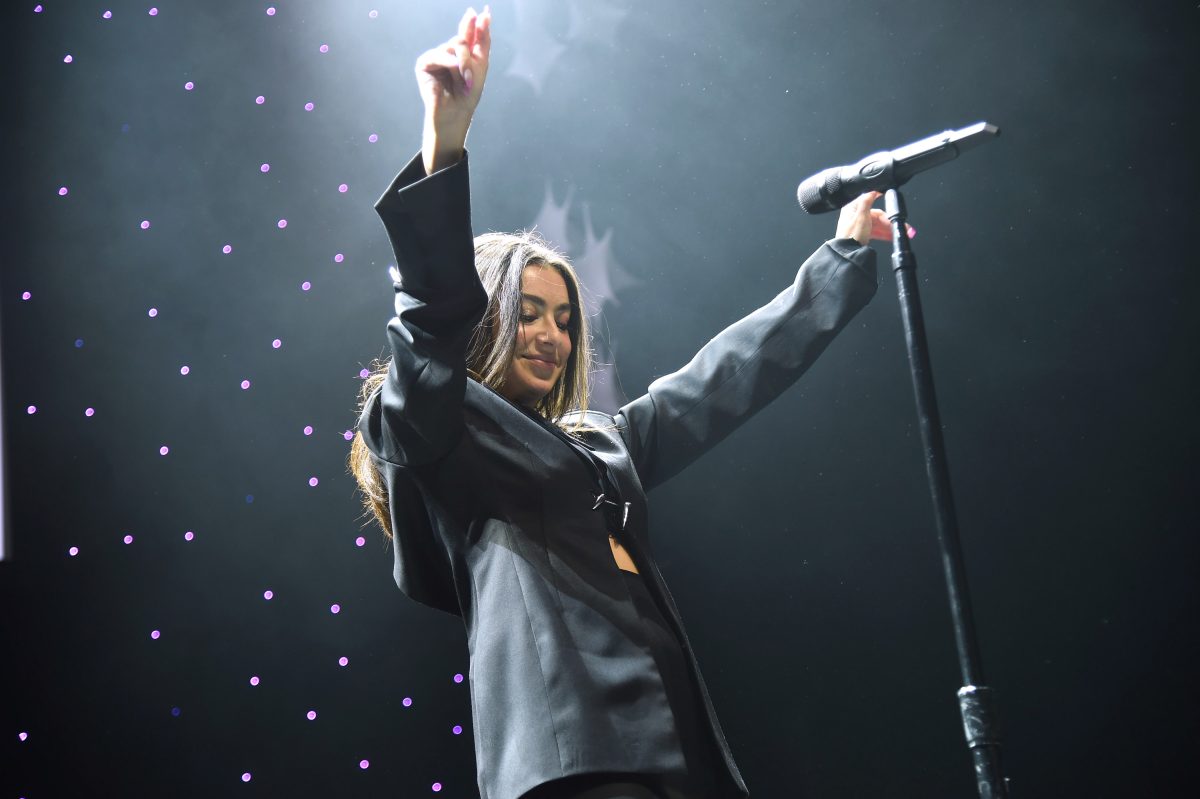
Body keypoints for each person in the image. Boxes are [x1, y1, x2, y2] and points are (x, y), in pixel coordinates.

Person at [349, 8, 892, 799]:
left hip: (676, 750)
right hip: (577, 759)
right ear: (486, 318)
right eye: (529, 311)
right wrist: (445, 145)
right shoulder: (436, 430)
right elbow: (430, 321)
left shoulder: (599, 440)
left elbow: (723, 379)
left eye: (565, 319)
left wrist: (842, 259)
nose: (552, 336)